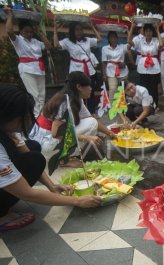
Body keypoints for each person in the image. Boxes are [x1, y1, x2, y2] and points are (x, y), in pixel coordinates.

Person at [0, 84, 101, 232]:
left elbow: (29, 156)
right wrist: (77, 201)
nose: (29, 121)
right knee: (35, 158)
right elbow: (27, 194)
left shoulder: (7, 130)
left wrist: (51, 186)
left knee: (33, 149)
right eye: (25, 117)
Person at [31, 72, 115, 165]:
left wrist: (110, 133)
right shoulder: (64, 102)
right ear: (79, 87)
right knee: (91, 125)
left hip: (50, 140)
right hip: (44, 143)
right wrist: (86, 138)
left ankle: (66, 156)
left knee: (92, 122)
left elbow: (90, 119)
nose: (91, 89)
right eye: (89, 86)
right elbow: (56, 133)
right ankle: (64, 159)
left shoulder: (77, 99)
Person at [4, 7, 51, 118]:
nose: (29, 34)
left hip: (39, 69)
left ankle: (41, 118)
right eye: (26, 31)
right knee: (34, 96)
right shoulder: (18, 40)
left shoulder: (36, 41)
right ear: (20, 31)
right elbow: (10, 31)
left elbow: (49, 46)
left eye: (30, 32)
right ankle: (36, 120)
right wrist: (10, 15)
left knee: (41, 96)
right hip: (27, 69)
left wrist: (39, 33)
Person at [53, 20, 102, 115]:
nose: (79, 32)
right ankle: (77, 112)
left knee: (90, 91)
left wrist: (92, 27)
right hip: (76, 69)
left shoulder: (87, 40)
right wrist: (55, 30)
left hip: (89, 69)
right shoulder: (67, 41)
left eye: (80, 29)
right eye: (76, 30)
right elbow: (56, 45)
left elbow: (99, 39)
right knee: (76, 91)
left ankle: (92, 113)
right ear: (72, 31)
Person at [131, 22, 163, 108]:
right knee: (144, 87)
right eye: (146, 31)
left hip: (154, 67)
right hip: (143, 67)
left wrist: (157, 31)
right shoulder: (140, 41)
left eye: (150, 31)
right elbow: (129, 43)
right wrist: (131, 28)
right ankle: (145, 105)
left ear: (152, 32)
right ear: (144, 32)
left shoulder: (156, 40)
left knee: (153, 88)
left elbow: (161, 45)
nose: (148, 33)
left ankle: (155, 105)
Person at [101, 30, 134, 101]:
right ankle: (112, 109)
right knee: (112, 89)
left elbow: (130, 44)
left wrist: (130, 29)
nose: (113, 39)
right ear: (109, 39)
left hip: (122, 72)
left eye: (114, 37)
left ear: (117, 38)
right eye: (111, 37)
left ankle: (123, 108)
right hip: (111, 72)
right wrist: (104, 74)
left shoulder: (122, 47)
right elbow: (104, 62)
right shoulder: (104, 48)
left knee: (123, 89)